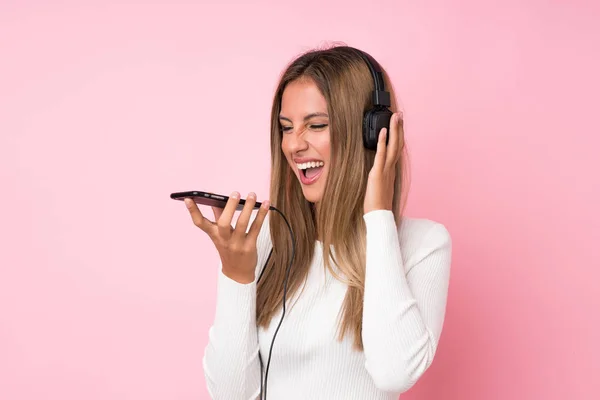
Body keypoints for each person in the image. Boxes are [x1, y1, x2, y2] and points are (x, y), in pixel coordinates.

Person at [183, 45, 452, 399]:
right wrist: (236, 276)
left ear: (373, 133)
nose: (294, 145)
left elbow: (393, 373)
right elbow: (231, 395)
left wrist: (379, 216)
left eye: (317, 125)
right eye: (286, 127)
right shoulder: (265, 240)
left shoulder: (423, 245)